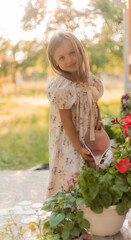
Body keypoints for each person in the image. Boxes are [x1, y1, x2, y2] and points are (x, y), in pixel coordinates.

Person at [46, 30, 104, 198]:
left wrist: (99, 120)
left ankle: (89, 207)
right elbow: (66, 120)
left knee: (91, 168)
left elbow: (94, 104)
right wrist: (77, 146)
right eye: (62, 57)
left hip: (89, 133)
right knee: (72, 170)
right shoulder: (63, 87)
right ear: (56, 63)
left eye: (72, 52)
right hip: (70, 138)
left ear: (80, 51)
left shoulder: (90, 80)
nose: (69, 59)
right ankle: (69, 207)